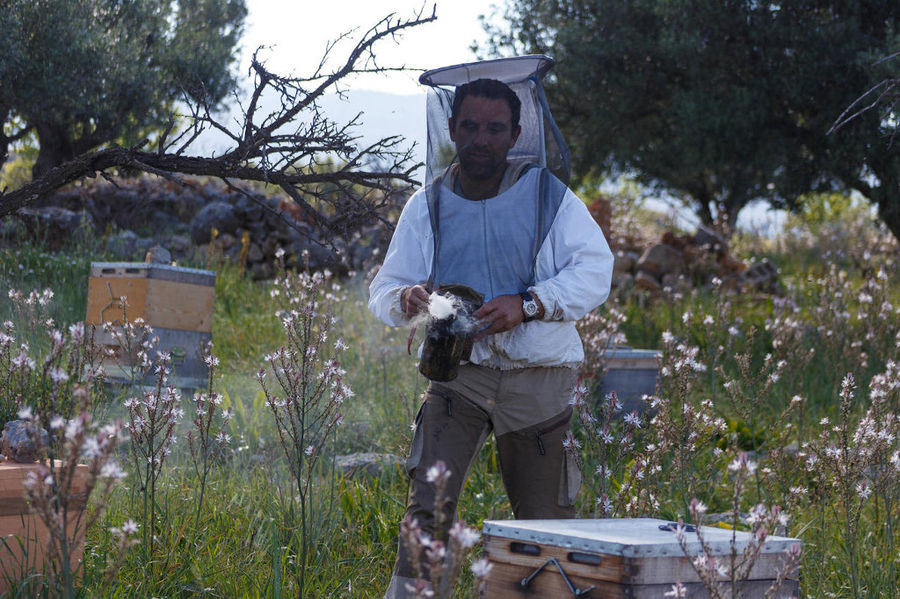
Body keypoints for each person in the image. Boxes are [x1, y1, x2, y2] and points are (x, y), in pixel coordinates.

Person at [368, 78, 614, 597]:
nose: (482, 139)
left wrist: (529, 305)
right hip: (457, 374)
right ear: (453, 129)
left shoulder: (552, 197)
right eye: (472, 127)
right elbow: (384, 288)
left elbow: (595, 271)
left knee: (546, 523)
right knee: (428, 506)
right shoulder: (427, 204)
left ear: (515, 133)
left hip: (538, 376)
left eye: (495, 128)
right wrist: (406, 298)